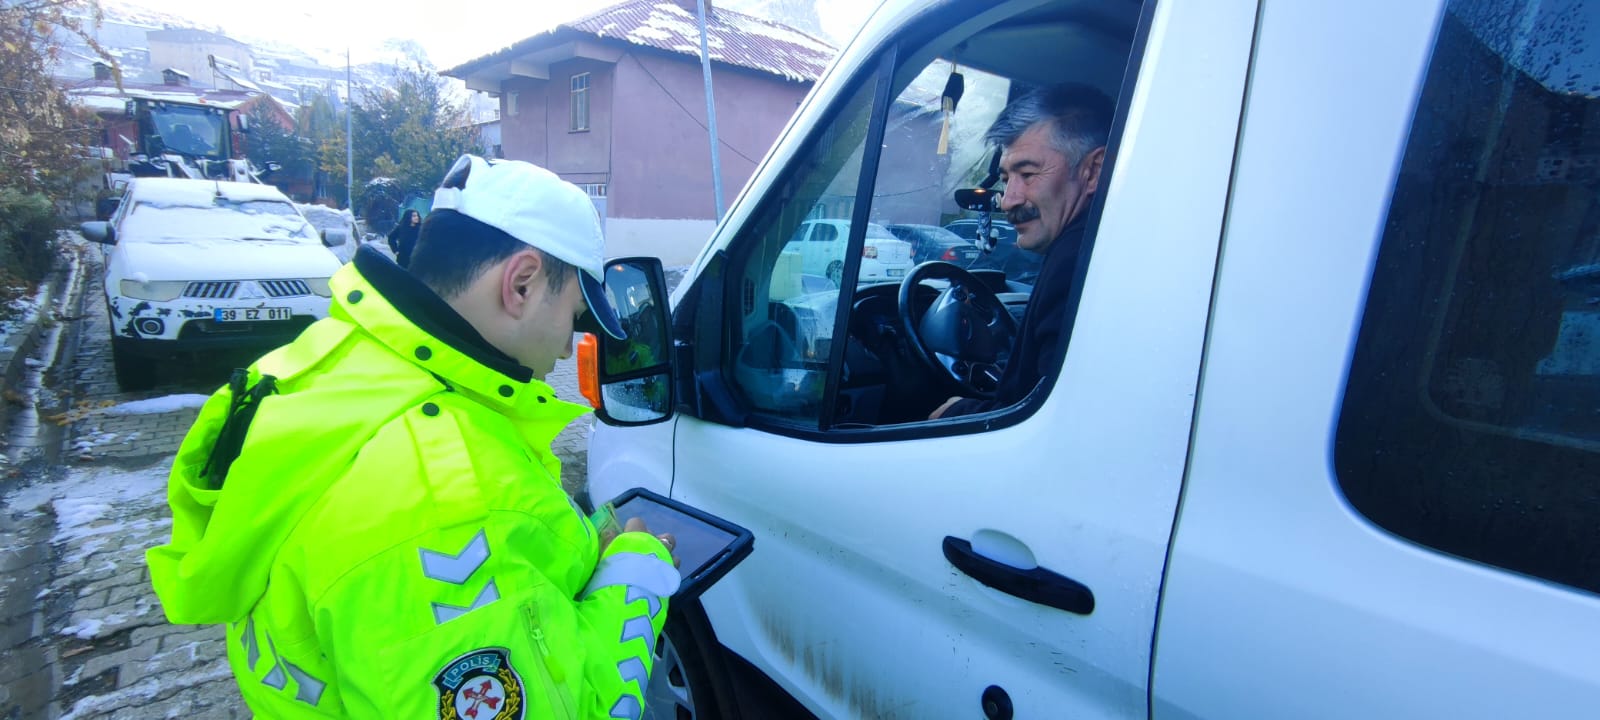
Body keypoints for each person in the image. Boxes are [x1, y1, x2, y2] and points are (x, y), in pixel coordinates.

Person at [147, 154, 680, 719]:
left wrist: (574, 549)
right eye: (574, 315)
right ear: (521, 284)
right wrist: (634, 573)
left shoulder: (322, 361)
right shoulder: (450, 501)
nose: (566, 346)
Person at [931, 83, 1112, 419]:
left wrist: (956, 412)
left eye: (1028, 174)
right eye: (1006, 178)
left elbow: (1051, 419)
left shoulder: (1078, 262)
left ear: (1093, 171)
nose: (1007, 199)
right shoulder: (1100, 244)